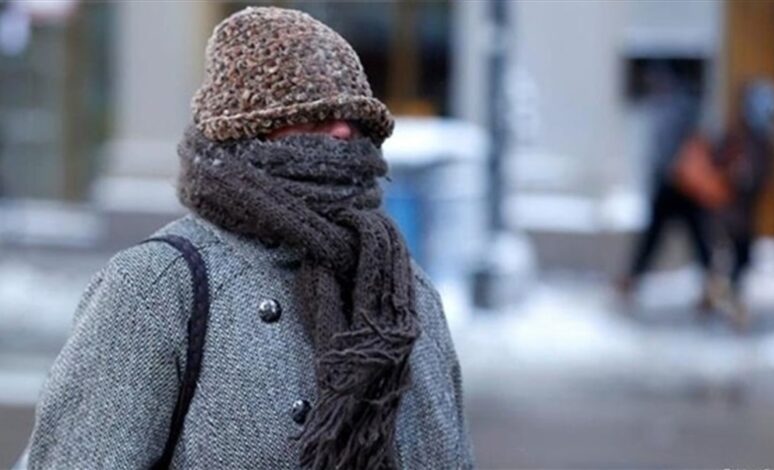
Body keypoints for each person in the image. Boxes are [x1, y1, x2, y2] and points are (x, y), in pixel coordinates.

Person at [24, 7, 474, 469]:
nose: (343, 130)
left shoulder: (401, 290)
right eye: (314, 114)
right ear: (247, 130)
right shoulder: (158, 286)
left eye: (355, 118)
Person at [618, 67, 714, 306]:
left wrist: (671, 169)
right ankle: (634, 279)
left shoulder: (678, 107)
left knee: (691, 236)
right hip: (673, 183)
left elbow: (679, 147)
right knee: (667, 236)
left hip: (680, 184)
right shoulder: (670, 107)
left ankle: (710, 285)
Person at [714, 79, 774, 327]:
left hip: (741, 214)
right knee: (734, 259)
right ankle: (731, 305)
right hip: (731, 214)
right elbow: (724, 165)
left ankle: (726, 299)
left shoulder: (759, 139)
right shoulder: (742, 137)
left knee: (739, 259)